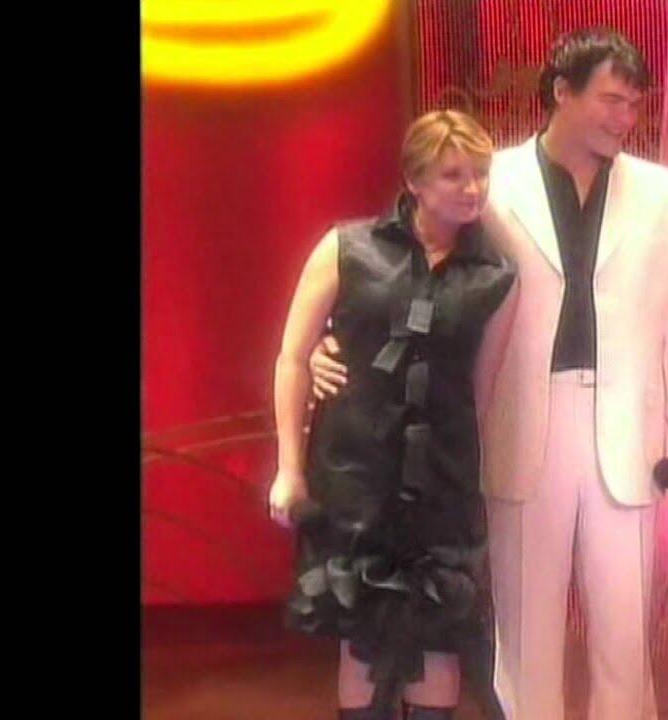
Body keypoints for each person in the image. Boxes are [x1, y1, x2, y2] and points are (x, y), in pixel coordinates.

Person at [309, 28, 668, 720]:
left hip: (630, 431)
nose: (625, 117)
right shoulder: (489, 183)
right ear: (562, 93)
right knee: (525, 639)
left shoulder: (667, 195)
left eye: (634, 104)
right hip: (517, 420)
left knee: (625, 638)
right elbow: (404, 264)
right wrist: (331, 341)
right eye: (611, 100)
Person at [268, 110, 515, 720]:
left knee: (438, 636)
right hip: (355, 474)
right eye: (453, 175)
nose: (472, 188)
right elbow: (292, 358)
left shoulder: (495, 276)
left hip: (443, 484)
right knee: (362, 636)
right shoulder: (346, 248)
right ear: (414, 181)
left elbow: (481, 391)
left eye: (480, 173)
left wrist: (470, 482)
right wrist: (289, 469)